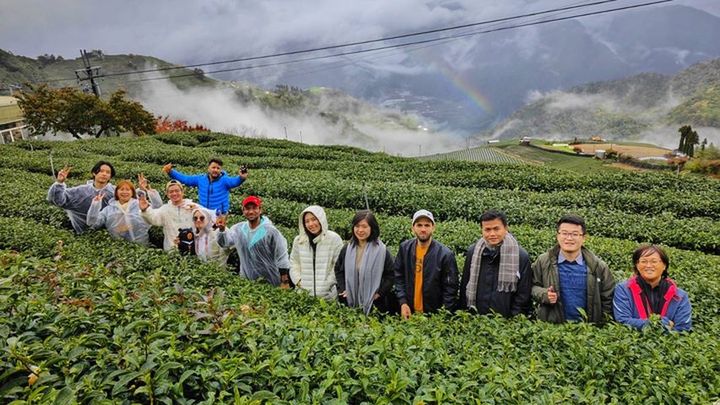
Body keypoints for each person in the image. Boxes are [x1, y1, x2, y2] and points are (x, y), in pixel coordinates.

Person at [532, 214, 615, 324]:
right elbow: (531, 286)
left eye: (575, 234)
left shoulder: (598, 266)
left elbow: (607, 298)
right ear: (558, 236)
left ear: (583, 238)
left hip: (588, 330)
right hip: (552, 328)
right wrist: (543, 294)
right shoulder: (543, 261)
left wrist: (602, 326)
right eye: (565, 233)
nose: (569, 238)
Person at [459, 210, 532, 318]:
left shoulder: (520, 256)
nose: (492, 234)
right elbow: (465, 285)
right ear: (482, 230)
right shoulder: (473, 252)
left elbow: (523, 295)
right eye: (487, 230)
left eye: (496, 229)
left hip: (505, 323)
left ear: (506, 228)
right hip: (476, 319)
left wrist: (514, 320)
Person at [394, 209, 458, 319]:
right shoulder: (405, 249)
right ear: (413, 228)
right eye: (419, 225)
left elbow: (450, 290)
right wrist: (403, 302)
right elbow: (398, 277)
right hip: (409, 313)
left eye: (427, 225)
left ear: (433, 227)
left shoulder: (445, 255)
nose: (423, 229)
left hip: (433, 316)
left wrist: (442, 317)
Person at [613, 245, 692, 331]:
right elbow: (622, 321)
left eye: (654, 261)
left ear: (664, 265)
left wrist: (640, 324)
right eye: (643, 261)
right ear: (637, 265)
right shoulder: (623, 290)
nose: (648, 265)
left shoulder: (679, 296)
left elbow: (683, 329)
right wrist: (664, 323)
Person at [216, 196, 290, 287]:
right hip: (246, 283)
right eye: (247, 208)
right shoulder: (238, 229)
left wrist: (284, 281)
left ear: (260, 210)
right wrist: (222, 230)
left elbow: (282, 255)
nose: (251, 211)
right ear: (243, 211)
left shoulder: (271, 231)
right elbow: (225, 243)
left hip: (270, 281)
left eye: (254, 208)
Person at [335, 210, 397, 315]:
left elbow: (391, 274)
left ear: (372, 228)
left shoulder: (381, 251)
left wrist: (379, 293)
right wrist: (343, 288)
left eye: (364, 226)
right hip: (350, 301)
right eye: (357, 226)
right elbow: (338, 269)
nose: (360, 230)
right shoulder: (347, 248)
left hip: (374, 304)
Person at [86, 174, 162, 246]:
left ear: (132, 193)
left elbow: (157, 210)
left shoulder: (139, 204)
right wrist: (95, 205)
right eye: (121, 189)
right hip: (117, 249)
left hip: (141, 247)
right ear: (116, 192)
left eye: (128, 190)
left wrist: (150, 193)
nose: (124, 192)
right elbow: (92, 224)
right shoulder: (108, 209)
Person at [289, 206, 343, 299]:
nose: (311, 224)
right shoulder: (299, 240)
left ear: (321, 219)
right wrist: (298, 281)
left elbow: (338, 265)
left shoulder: (334, 239)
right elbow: (294, 263)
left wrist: (327, 284)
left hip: (328, 296)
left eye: (314, 219)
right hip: (303, 295)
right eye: (307, 221)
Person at [47, 161, 116, 233]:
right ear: (94, 173)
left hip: (109, 235)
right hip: (83, 234)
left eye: (108, 172)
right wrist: (59, 183)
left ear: (110, 176)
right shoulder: (81, 191)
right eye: (101, 171)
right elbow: (58, 200)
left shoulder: (116, 192)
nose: (104, 174)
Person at [162, 158, 247, 214]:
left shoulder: (225, 180)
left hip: (219, 215)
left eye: (218, 168)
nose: (215, 170)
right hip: (203, 213)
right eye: (213, 167)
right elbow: (186, 179)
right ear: (208, 168)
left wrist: (241, 178)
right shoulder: (200, 179)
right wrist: (171, 172)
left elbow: (235, 181)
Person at [139, 180, 198, 252]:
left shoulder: (192, 206)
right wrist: (145, 209)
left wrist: (196, 210)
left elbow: (207, 216)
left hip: (192, 249)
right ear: (167, 194)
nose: (174, 193)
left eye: (177, 191)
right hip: (172, 250)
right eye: (171, 192)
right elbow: (153, 218)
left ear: (182, 192)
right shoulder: (165, 209)